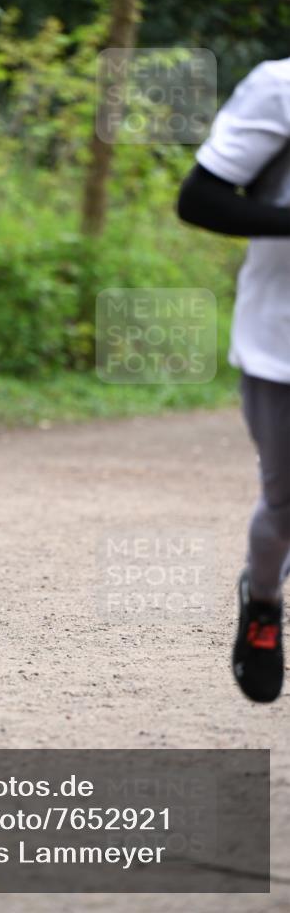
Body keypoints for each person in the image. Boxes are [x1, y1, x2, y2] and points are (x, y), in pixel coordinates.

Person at [177, 57, 290, 703]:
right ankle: (263, 598)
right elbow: (199, 198)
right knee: (284, 503)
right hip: (281, 343)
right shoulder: (279, 88)